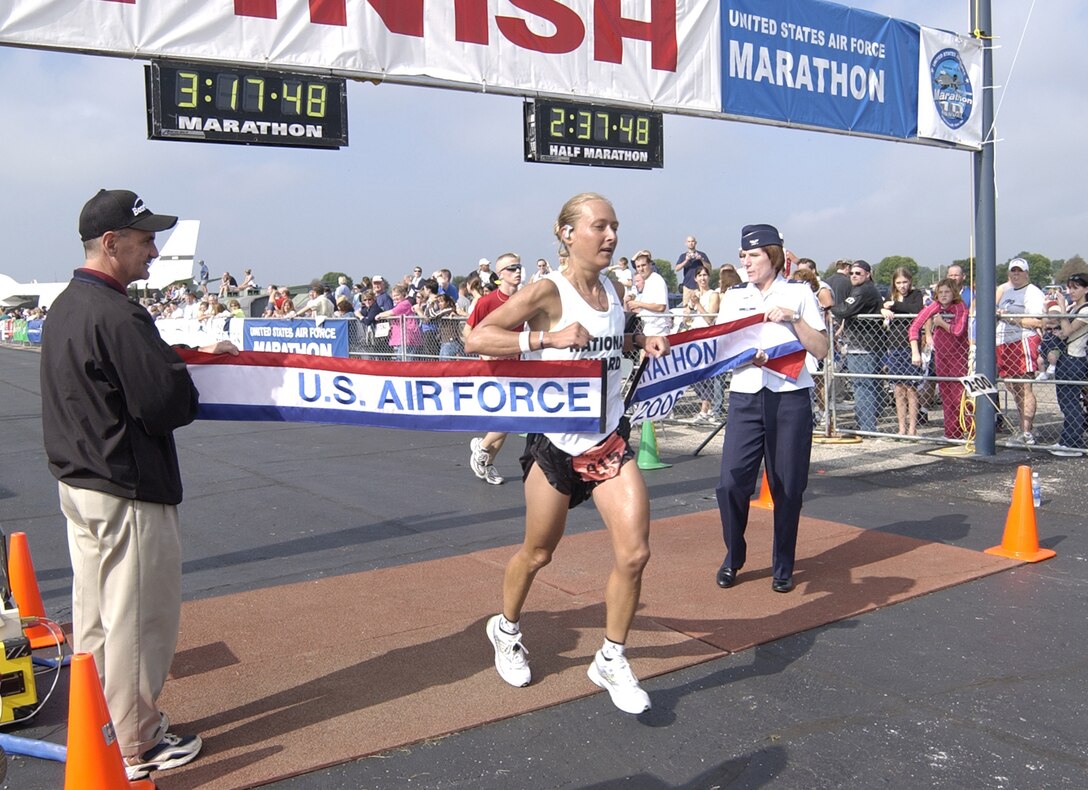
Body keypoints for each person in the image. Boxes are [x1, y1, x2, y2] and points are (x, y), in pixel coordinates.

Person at [40, 189, 240, 781]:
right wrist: (185, 374)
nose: (154, 249)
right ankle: (137, 743)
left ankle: (102, 724)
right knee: (138, 622)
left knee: (99, 618)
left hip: (80, 483)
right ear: (111, 243)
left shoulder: (69, 305)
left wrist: (184, 354)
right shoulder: (118, 312)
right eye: (145, 238)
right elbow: (164, 402)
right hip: (125, 487)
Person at [465, 193, 669, 714]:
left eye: (615, 227)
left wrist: (642, 340)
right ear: (566, 233)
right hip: (556, 448)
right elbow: (477, 338)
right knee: (537, 553)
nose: (611, 237)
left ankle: (611, 657)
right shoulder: (546, 291)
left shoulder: (616, 288)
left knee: (635, 552)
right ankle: (505, 629)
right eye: (599, 227)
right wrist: (545, 337)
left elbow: (614, 337)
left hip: (607, 443)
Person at [714, 224, 828, 594]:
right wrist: (745, 356)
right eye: (743, 255)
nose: (745, 262)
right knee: (731, 481)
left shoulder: (799, 293)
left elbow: (822, 349)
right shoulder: (733, 297)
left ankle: (783, 564)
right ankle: (734, 555)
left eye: (753, 255)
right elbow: (719, 347)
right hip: (746, 396)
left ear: (773, 256)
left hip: (789, 397)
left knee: (787, 485)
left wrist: (794, 319)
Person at [465, 253, 523, 485]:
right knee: (510, 418)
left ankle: (485, 461)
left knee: (507, 421)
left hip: (518, 367)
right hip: (493, 369)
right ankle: (483, 448)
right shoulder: (486, 302)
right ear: (500, 275)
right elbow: (469, 334)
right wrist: (485, 351)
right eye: (512, 268)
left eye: (519, 267)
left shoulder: (526, 300)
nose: (518, 271)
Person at [910, 278, 972, 440]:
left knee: (959, 395)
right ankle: (951, 433)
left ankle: (971, 431)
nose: (943, 295)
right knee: (946, 395)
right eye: (941, 292)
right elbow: (915, 325)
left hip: (958, 356)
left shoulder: (960, 307)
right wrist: (915, 350)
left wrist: (941, 322)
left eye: (947, 292)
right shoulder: (935, 306)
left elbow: (958, 330)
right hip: (941, 356)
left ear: (954, 293)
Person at [830, 260, 884, 433]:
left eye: (858, 273)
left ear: (868, 274)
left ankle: (866, 426)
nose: (853, 276)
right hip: (866, 343)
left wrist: (829, 307)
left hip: (863, 344)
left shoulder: (863, 289)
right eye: (851, 273)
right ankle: (867, 422)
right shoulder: (863, 288)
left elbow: (845, 309)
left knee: (862, 386)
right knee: (868, 385)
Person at [996, 258, 1045, 445]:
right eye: (1013, 271)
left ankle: (1026, 432)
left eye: (1019, 271)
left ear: (1026, 273)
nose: (1016, 274)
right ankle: (1024, 427)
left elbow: (1038, 321)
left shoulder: (1033, 292)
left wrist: (1010, 318)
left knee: (1024, 386)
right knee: (1012, 386)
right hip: (1003, 342)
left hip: (1022, 340)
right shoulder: (1007, 292)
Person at [880, 267, 925, 436]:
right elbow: (882, 306)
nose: (902, 286)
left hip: (910, 346)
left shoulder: (916, 294)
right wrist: (883, 309)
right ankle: (901, 427)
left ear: (910, 281)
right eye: (898, 283)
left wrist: (895, 305)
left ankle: (913, 427)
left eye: (905, 282)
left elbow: (915, 309)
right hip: (894, 346)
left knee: (911, 389)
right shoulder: (890, 296)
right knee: (898, 389)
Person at [1050, 272, 1088, 456]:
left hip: (1075, 359)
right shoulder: (1074, 308)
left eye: (1076, 288)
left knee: (1071, 402)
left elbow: (1067, 332)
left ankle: (1074, 443)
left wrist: (1062, 308)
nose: (1071, 291)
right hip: (1065, 359)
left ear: (1086, 289)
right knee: (1064, 402)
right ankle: (1066, 440)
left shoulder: (1085, 310)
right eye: (1070, 287)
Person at [685, 266, 721, 421]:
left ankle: (705, 408)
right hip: (693, 335)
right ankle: (705, 405)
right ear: (695, 278)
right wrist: (690, 306)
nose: (702, 278)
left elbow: (709, 319)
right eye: (699, 275)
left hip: (706, 336)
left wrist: (698, 304)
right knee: (692, 373)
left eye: (705, 275)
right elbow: (686, 318)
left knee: (705, 374)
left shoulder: (714, 294)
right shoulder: (694, 294)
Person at [626, 250, 671, 336]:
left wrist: (639, 304)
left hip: (659, 331)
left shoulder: (657, 280)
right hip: (648, 329)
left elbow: (661, 307)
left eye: (643, 265)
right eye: (638, 266)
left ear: (650, 265)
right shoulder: (647, 281)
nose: (641, 269)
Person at [376, 284, 422, 358]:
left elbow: (392, 312)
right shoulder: (398, 305)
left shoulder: (405, 304)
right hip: (400, 338)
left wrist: (380, 315)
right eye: (394, 296)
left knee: (405, 361)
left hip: (407, 338)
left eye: (398, 295)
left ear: (403, 295)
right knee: (399, 359)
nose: (395, 297)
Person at [673, 235, 711, 305]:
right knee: (686, 309)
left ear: (695, 243)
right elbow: (677, 269)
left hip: (699, 287)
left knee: (700, 306)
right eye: (689, 241)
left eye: (692, 241)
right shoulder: (683, 256)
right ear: (686, 243)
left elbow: (709, 268)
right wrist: (686, 260)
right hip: (687, 287)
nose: (691, 243)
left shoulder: (702, 254)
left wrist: (701, 260)